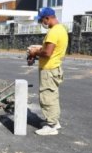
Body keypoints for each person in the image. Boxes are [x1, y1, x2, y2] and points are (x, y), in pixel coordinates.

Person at [27, 7, 69, 136]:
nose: (42, 23)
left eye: (42, 20)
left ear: (47, 18)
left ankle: (51, 126)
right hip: (54, 68)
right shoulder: (60, 29)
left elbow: (47, 52)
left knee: (46, 97)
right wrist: (39, 49)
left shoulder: (54, 32)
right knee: (52, 96)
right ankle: (54, 122)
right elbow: (51, 50)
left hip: (49, 70)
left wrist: (35, 52)